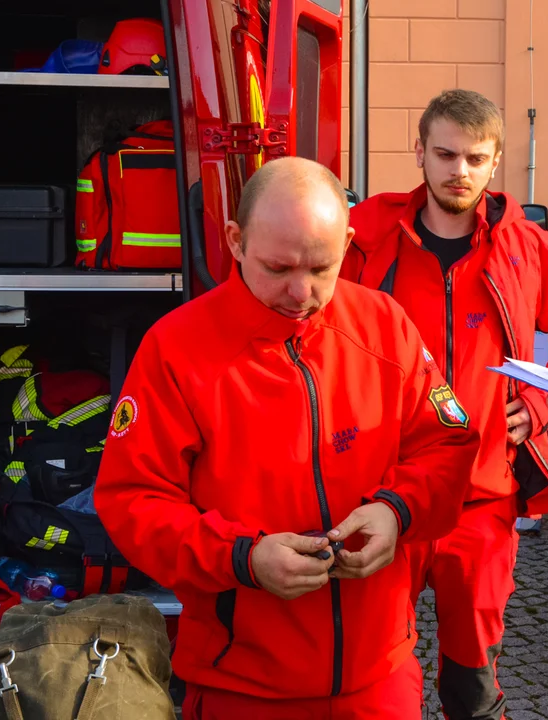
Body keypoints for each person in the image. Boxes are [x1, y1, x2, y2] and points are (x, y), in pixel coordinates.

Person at [95, 157, 480, 719]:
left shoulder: (384, 325)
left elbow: (448, 445)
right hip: (242, 687)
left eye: (322, 267)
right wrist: (243, 557)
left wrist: (396, 512)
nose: (300, 293)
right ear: (235, 241)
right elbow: (132, 499)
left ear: (348, 243)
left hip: (379, 678)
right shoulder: (176, 349)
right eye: (278, 268)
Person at [341, 89, 548, 719]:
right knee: (373, 663)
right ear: (420, 153)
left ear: (494, 164)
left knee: (473, 677)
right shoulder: (369, 236)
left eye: (474, 158)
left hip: (483, 494)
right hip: (386, 489)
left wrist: (545, 400)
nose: (458, 170)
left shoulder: (530, 247)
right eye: (444, 154)